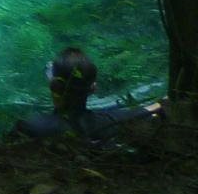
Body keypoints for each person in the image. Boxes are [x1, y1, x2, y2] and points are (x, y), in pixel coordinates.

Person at [12, 48, 161, 144]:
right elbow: (150, 110)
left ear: (53, 86)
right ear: (93, 88)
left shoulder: (31, 126)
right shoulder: (110, 122)